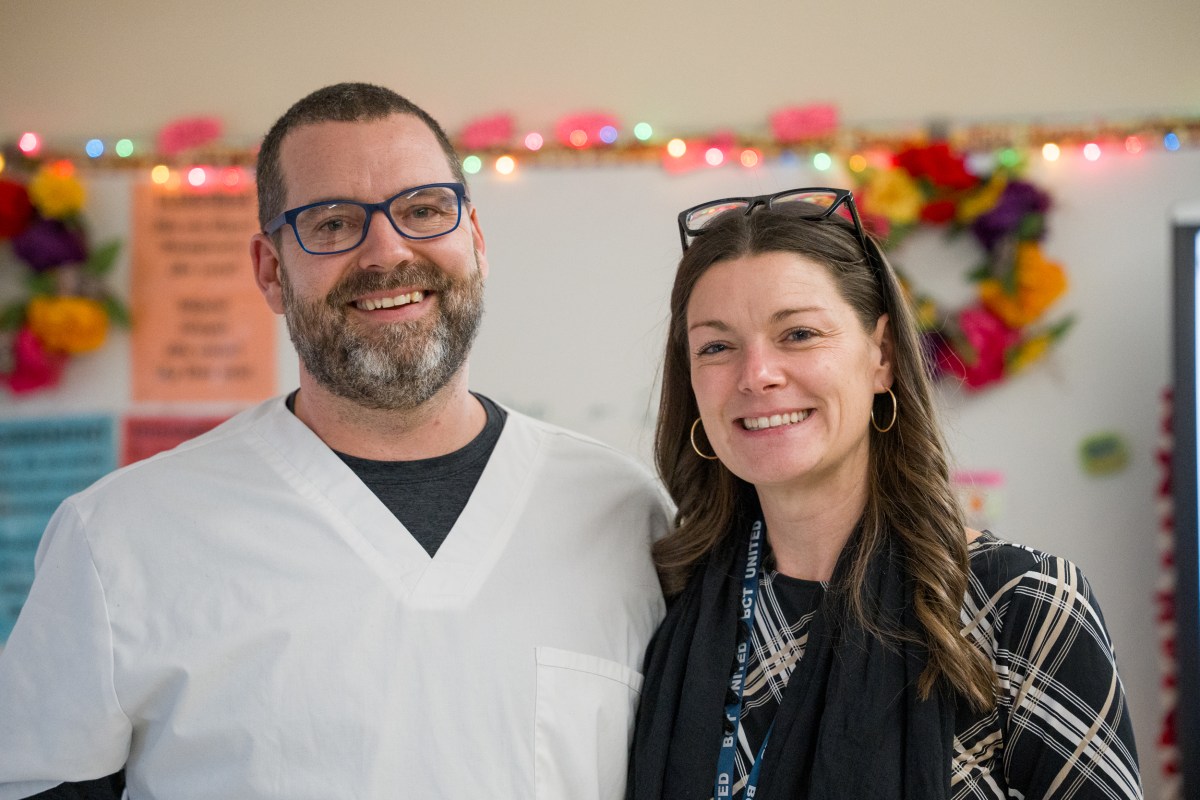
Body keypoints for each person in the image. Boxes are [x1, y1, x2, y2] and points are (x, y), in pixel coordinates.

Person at [0, 83, 667, 799]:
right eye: (331, 222)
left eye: (423, 210)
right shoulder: (117, 539)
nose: (387, 251)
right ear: (270, 270)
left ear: (474, 239)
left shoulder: (624, 513)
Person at [625, 188, 1143, 799]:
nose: (757, 373)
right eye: (716, 346)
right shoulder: (664, 600)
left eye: (798, 334)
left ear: (883, 356)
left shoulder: (1022, 607)